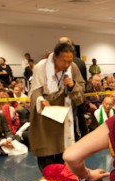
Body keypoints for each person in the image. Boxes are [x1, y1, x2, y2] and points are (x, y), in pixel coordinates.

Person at [29, 41, 85, 172]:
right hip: (44, 112)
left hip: (64, 113)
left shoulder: (73, 68)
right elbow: (34, 90)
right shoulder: (41, 67)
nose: (66, 64)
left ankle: (64, 180)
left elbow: (81, 89)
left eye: (69, 61)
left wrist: (72, 85)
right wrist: (40, 100)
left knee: (64, 152)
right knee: (46, 154)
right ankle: (49, 179)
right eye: (63, 61)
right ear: (55, 57)